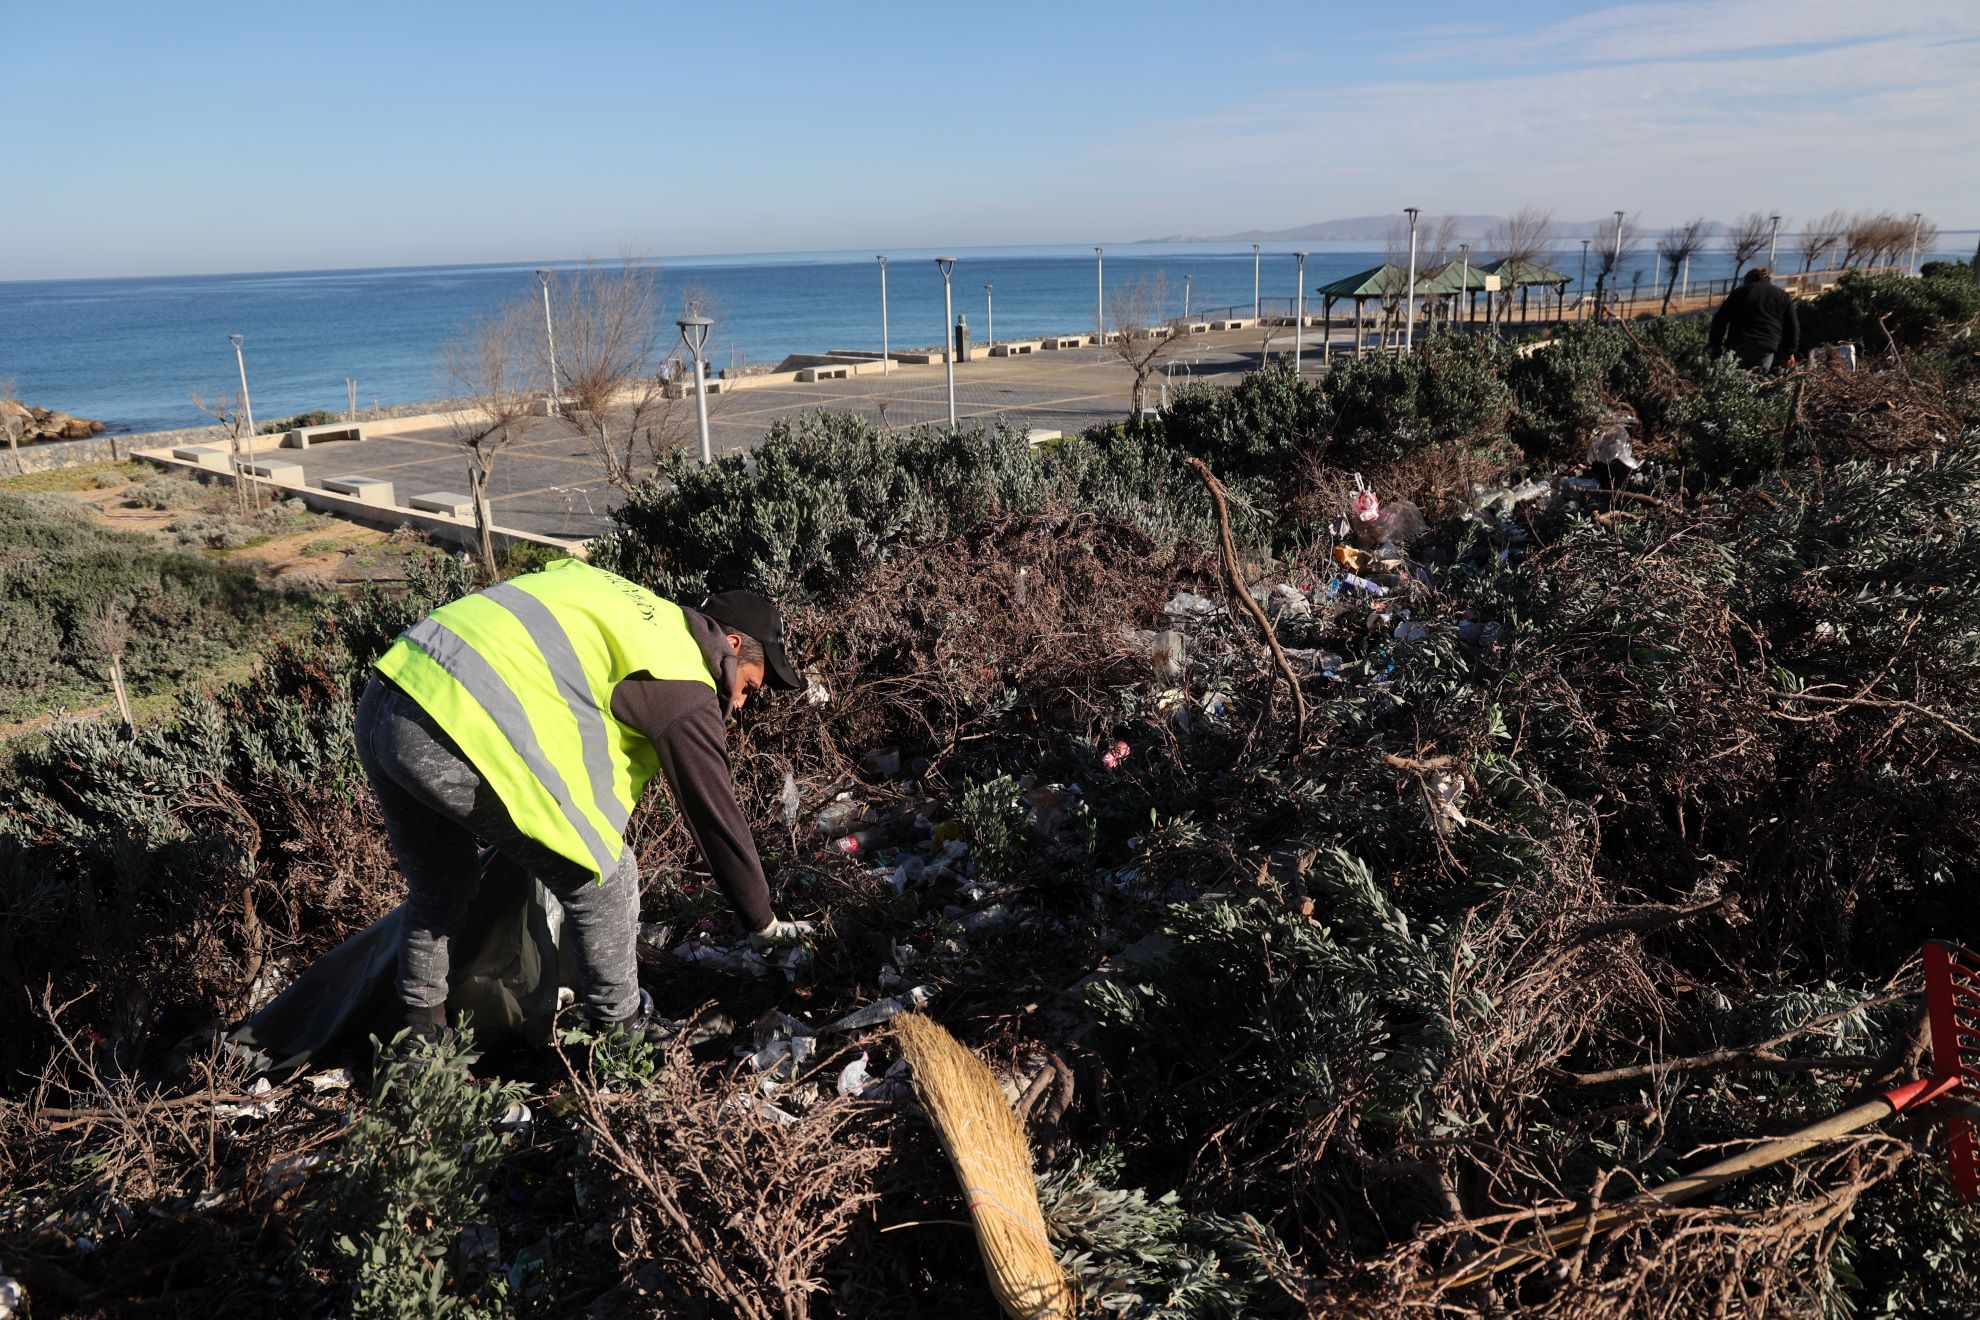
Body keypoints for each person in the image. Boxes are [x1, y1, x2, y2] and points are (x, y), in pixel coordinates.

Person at [353, 557, 811, 1046]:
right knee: (605, 876)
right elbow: (716, 817)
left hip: (389, 692)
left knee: (442, 886)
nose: (739, 705)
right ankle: (621, 1036)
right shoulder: (683, 677)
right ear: (733, 645)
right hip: (449, 724)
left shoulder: (635, 609)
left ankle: (419, 1038)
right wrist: (762, 924)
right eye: (749, 688)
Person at [1708, 267, 1800, 371]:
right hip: (1766, 346)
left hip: (1739, 343)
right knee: (1759, 381)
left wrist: (1715, 346)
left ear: (1747, 280)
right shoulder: (1782, 295)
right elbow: (1792, 327)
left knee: (1736, 381)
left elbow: (1720, 320)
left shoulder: (1740, 292)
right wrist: (1789, 352)